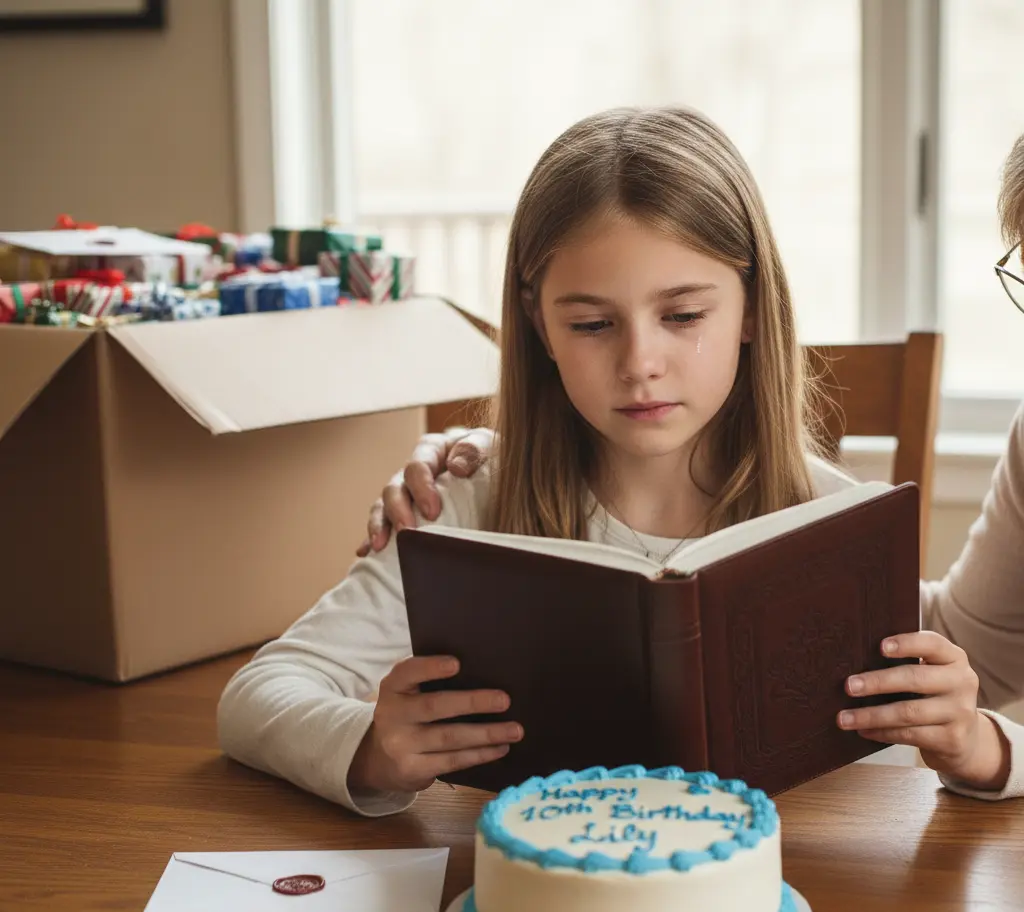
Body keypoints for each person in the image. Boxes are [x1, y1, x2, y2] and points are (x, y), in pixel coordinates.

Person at [217, 107, 1000, 817]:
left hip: (795, 908)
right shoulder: (463, 506)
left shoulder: (830, 522)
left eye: (683, 315)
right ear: (537, 323)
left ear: (753, 308)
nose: (640, 363)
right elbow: (257, 696)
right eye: (593, 323)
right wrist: (372, 749)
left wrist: (970, 739)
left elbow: (947, 718)